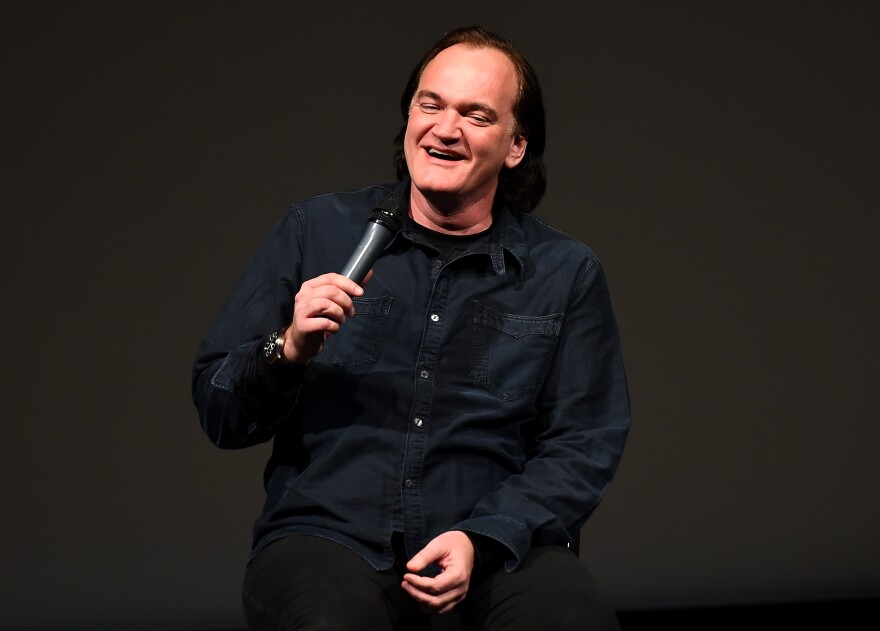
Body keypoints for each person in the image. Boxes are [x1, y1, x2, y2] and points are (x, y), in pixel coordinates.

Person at [192, 25, 631, 631]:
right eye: (431, 105)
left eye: (476, 115)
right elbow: (219, 410)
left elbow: (584, 442)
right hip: (330, 538)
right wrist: (287, 349)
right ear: (408, 119)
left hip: (496, 545)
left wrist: (484, 537)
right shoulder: (315, 230)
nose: (445, 129)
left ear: (516, 146)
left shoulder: (565, 271)